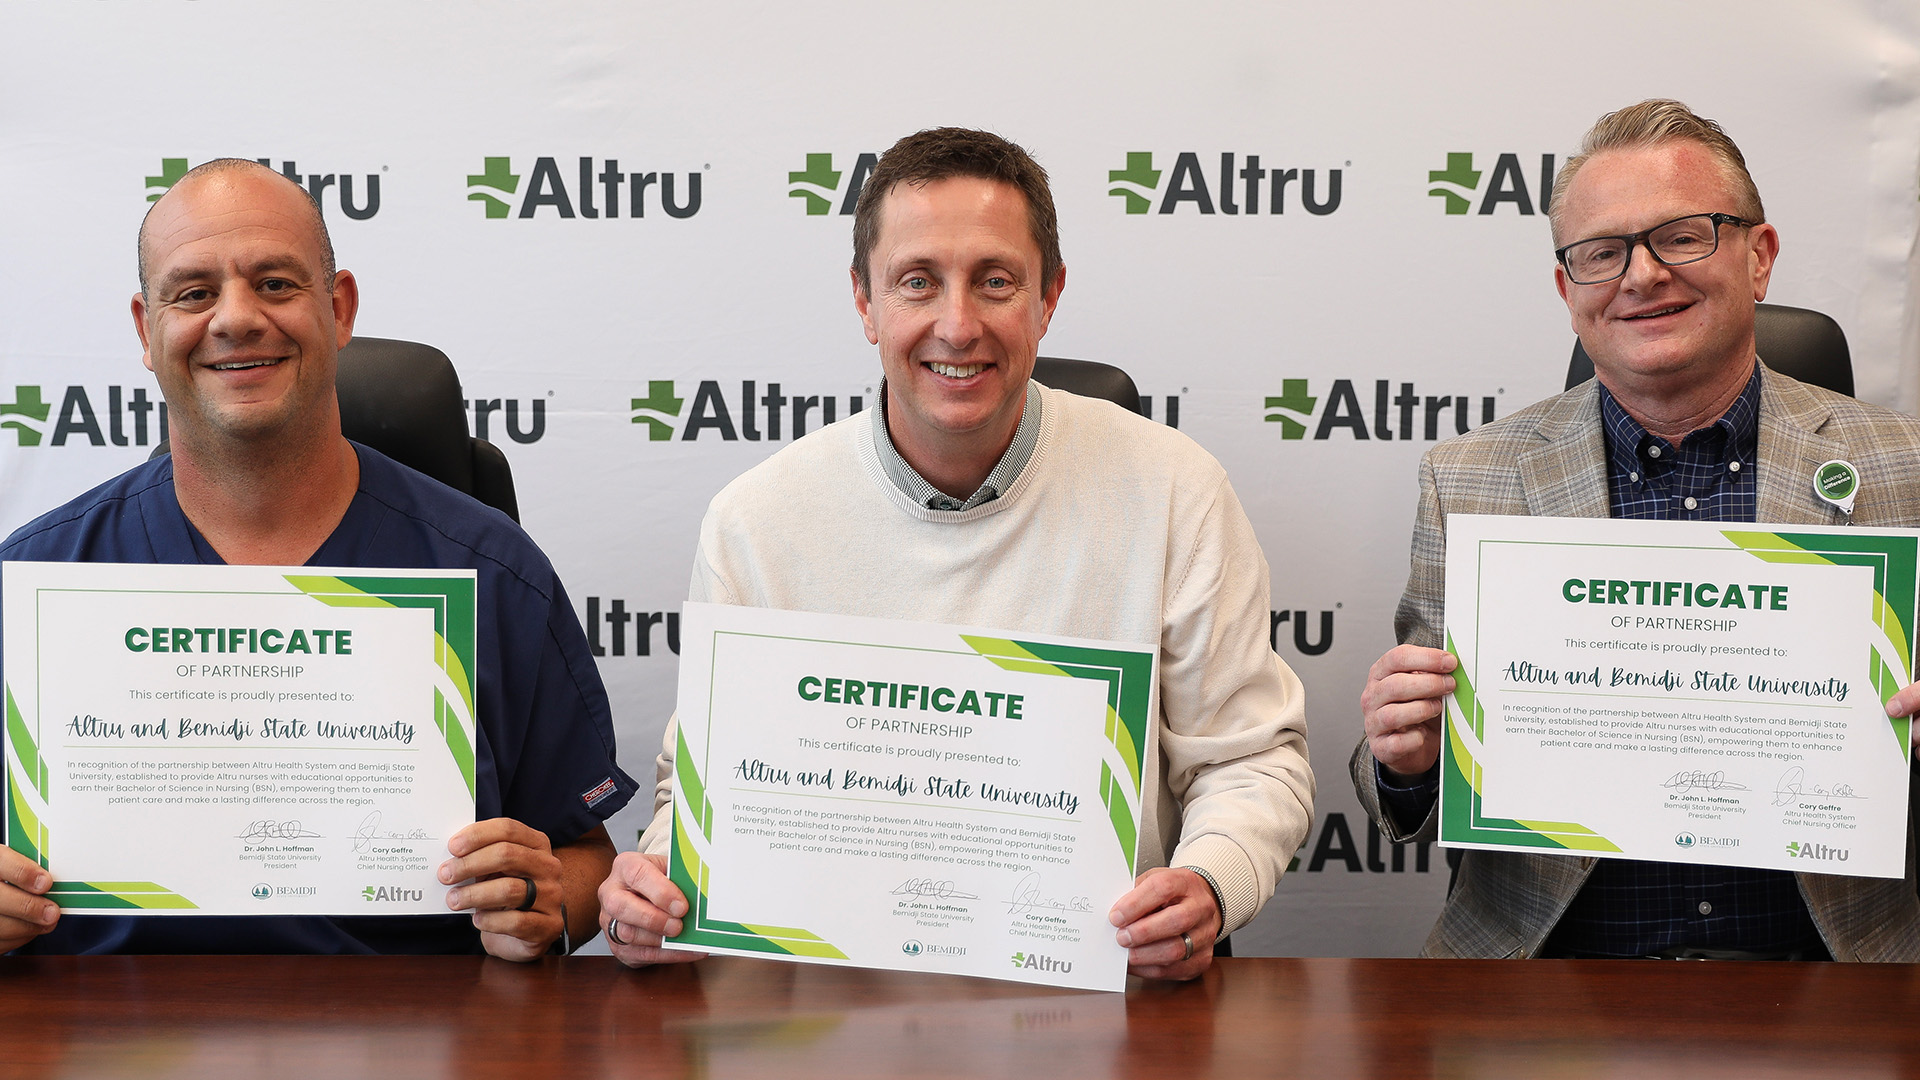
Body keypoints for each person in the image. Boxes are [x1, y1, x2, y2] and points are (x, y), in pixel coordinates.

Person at [598, 127, 1314, 979]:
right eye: (917, 282)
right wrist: (659, 890)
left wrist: (1207, 883)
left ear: (1048, 299)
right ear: (865, 302)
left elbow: (1250, 758)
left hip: (1099, 993)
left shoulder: (1174, 490)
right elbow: (703, 790)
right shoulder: (758, 520)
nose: (957, 324)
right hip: (833, 1004)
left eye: (996, 282)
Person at [0, 159, 635, 958]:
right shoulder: (37, 583)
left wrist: (552, 903)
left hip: (420, 1044)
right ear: (145, 329)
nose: (235, 318)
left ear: (338, 309)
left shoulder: (492, 575)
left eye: (274, 284)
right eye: (193, 293)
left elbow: (588, 860)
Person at [1353, 99, 1920, 961]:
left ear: (1760, 257)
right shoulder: (1469, 479)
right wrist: (1407, 759)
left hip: (1832, 974)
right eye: (1601, 253)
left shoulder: (1903, 466)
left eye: (1682, 235)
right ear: (1567, 290)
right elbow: (1399, 792)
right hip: (1551, 978)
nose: (1642, 275)